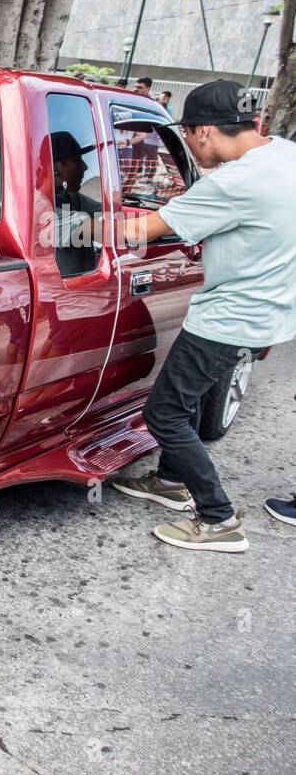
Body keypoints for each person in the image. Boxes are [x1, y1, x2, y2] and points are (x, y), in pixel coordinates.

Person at [113, 80, 296, 552]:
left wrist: (73, 224)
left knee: (164, 412)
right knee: (189, 395)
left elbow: (142, 229)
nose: (191, 147)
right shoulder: (284, 155)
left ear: (203, 132)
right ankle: (171, 481)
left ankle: (218, 518)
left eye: (188, 136)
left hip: (229, 318)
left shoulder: (234, 182)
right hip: (269, 311)